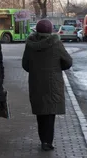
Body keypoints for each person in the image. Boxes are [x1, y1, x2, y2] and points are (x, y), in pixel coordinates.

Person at [22, 19, 73, 151]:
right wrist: (56, 68)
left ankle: (42, 139)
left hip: (36, 82)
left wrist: (35, 71)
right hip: (53, 83)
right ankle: (47, 142)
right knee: (50, 113)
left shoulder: (30, 44)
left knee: (40, 112)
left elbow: (25, 64)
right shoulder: (56, 44)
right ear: (50, 30)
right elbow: (68, 62)